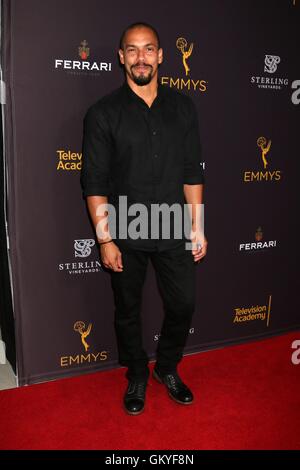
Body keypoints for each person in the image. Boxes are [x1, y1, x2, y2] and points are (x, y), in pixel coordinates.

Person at [81, 22, 208, 415]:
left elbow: (192, 172)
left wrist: (197, 226)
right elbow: (94, 182)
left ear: (161, 55)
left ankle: (166, 367)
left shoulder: (183, 107)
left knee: (183, 303)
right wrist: (105, 239)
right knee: (128, 311)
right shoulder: (103, 113)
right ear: (121, 57)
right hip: (126, 227)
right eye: (132, 50)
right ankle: (136, 371)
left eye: (148, 49)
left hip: (172, 224)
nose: (141, 57)